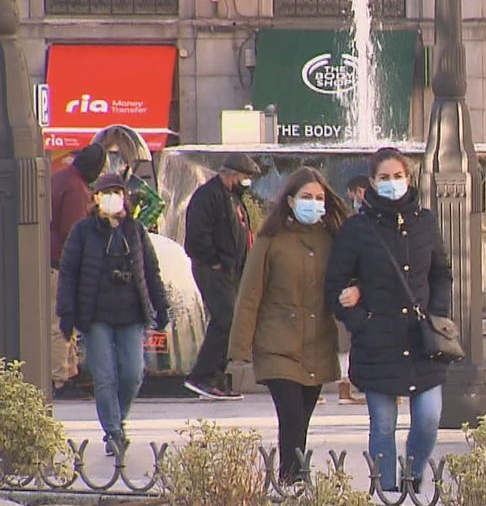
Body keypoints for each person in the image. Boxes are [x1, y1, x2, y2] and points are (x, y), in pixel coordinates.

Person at [325, 147, 454, 493]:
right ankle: (388, 492)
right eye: (384, 177)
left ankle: (413, 476)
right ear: (372, 182)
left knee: (428, 417)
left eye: (398, 176)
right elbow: (335, 284)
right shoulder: (357, 229)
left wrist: (437, 312)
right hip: (377, 341)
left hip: (422, 341)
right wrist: (359, 320)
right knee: (383, 425)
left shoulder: (425, 221)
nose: (392, 183)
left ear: (409, 179)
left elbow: (441, 273)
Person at [228, 167, 352, 484]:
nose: (314, 203)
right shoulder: (271, 240)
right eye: (306, 197)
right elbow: (249, 294)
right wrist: (239, 349)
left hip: (317, 346)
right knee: (291, 416)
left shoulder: (333, 239)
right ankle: (291, 480)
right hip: (277, 346)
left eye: (319, 198)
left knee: (303, 419)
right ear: (291, 201)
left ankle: (293, 476)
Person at [57, 174, 169, 455]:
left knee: (132, 373)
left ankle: (117, 420)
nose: (111, 198)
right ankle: (113, 431)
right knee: (104, 375)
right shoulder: (83, 232)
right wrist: (67, 314)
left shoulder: (136, 231)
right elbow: (68, 273)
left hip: (131, 314)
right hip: (96, 316)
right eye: (105, 193)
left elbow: (151, 272)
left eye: (116, 192)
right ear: (95, 198)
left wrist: (161, 305)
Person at [183, 153, 263, 400]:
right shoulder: (208, 196)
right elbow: (197, 235)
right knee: (226, 319)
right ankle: (202, 376)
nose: (247, 182)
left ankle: (216, 377)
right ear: (230, 174)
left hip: (231, 271)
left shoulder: (234, 198)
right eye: (245, 177)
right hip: (213, 269)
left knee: (228, 321)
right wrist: (215, 261)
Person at [49, 143, 104, 395]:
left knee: (62, 320)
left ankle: (69, 372)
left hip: (52, 262)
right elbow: (73, 234)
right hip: (61, 265)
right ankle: (61, 378)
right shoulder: (76, 189)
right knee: (61, 322)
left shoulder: (61, 177)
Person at [337, 173, 372, 405]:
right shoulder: (359, 221)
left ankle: (347, 387)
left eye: (353, 196)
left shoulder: (366, 218)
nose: (354, 201)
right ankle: (346, 388)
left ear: (360, 191)